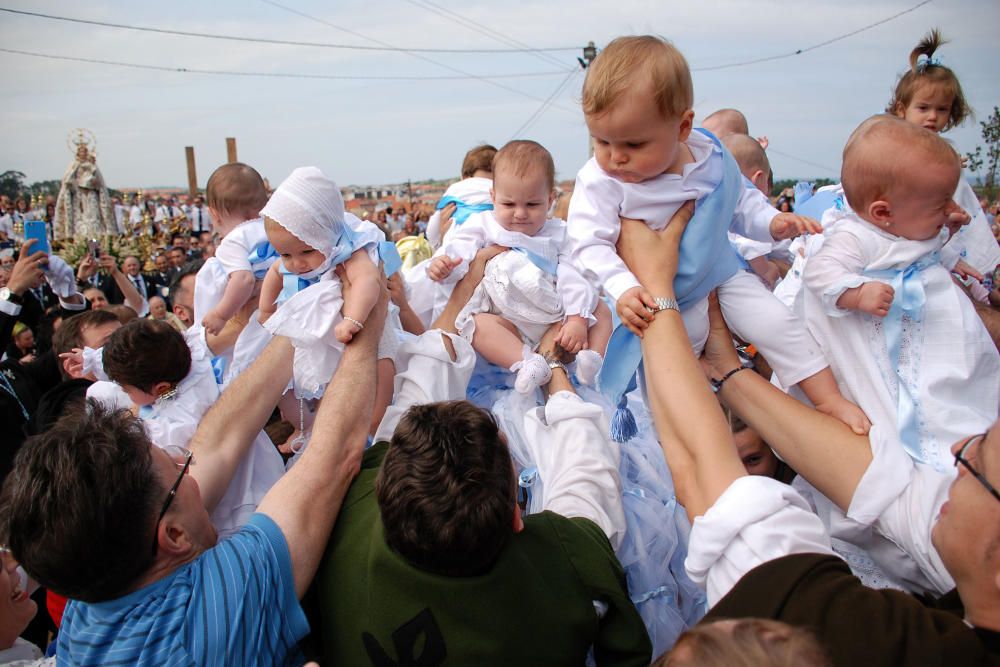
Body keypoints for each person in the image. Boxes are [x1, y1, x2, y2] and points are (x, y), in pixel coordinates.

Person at [614, 203, 1000, 666]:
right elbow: (886, 484)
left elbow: (706, 479)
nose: (958, 450)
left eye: (977, 461)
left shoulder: (872, 642)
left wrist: (656, 289)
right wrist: (730, 374)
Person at [0, 265, 389, 664]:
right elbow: (331, 457)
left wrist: (305, 314)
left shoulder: (89, 602)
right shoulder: (221, 605)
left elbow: (218, 441)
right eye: (178, 467)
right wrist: (369, 316)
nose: (185, 457)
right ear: (174, 536)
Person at [311, 248, 651, 666]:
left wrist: (463, 293)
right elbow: (587, 473)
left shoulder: (348, 512)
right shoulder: (565, 566)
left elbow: (416, 392)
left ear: (384, 487)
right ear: (516, 516)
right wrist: (551, 366)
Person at [568, 35, 869, 434]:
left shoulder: (709, 154)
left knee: (779, 323)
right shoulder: (600, 180)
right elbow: (588, 242)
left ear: (683, 126)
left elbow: (739, 200)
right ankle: (685, 450)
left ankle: (829, 399)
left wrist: (770, 223)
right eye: (601, 141)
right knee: (675, 380)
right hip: (657, 296)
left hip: (719, 270)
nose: (614, 156)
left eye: (633, 143)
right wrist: (622, 287)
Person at [802, 115, 999, 472]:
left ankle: (975, 435)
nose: (949, 211)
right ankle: (942, 455)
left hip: (941, 329)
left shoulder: (909, 226)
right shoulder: (855, 237)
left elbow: (928, 247)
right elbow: (821, 272)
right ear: (883, 212)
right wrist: (857, 293)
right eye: (940, 205)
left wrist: (948, 237)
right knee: (921, 400)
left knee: (966, 384)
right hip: (896, 339)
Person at [64, 319, 285, 537]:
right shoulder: (187, 361)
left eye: (125, 389)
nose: (123, 392)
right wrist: (91, 360)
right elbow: (137, 357)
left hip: (241, 496)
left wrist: (131, 420)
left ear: (159, 388)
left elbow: (157, 445)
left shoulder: (185, 416)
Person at [427, 140, 612, 392]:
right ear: (493, 198)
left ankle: (591, 358)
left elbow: (575, 276)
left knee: (600, 310)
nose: (520, 214)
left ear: (550, 199)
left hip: (555, 318)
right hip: (507, 318)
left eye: (532, 205)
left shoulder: (558, 233)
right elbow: (462, 246)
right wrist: (445, 263)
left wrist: (577, 319)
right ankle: (527, 363)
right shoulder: (484, 223)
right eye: (509, 204)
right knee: (477, 324)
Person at [258, 167, 396, 453]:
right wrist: (264, 309)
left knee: (378, 397)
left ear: (325, 233)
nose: (296, 263)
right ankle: (311, 431)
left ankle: (380, 439)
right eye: (286, 254)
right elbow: (274, 273)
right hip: (324, 341)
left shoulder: (348, 250)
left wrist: (354, 319)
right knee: (321, 394)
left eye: (306, 252)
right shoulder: (293, 259)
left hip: (368, 333)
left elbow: (367, 281)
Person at [887, 28, 1000, 277]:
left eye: (942, 109)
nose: (932, 116)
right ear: (902, 109)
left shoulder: (946, 150)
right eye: (924, 108)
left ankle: (982, 280)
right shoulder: (891, 145)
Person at [198, 164, 272, 336]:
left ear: (214, 215)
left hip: (255, 321)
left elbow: (244, 279)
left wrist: (220, 315)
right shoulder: (276, 229)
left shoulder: (233, 241)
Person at [425, 143, 497, 249]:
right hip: (493, 244)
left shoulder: (455, 189)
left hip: (455, 243)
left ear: (464, 176)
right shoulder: (503, 190)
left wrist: (437, 240)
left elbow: (432, 230)